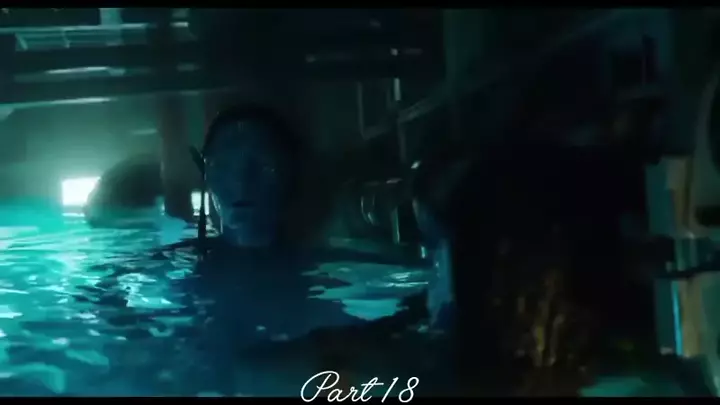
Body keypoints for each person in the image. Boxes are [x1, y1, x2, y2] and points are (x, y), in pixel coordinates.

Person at [179, 104, 433, 395]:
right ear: (206, 174)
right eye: (222, 165)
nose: (240, 181)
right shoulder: (176, 273)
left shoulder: (341, 273)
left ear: (290, 173)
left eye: (262, 163)